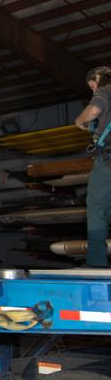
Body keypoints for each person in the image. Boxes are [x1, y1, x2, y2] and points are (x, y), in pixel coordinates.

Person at [75, 66, 111, 268]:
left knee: (98, 208)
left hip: (108, 162)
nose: (93, 90)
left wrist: (80, 121)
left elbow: (94, 109)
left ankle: (96, 262)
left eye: (92, 85)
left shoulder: (105, 89)